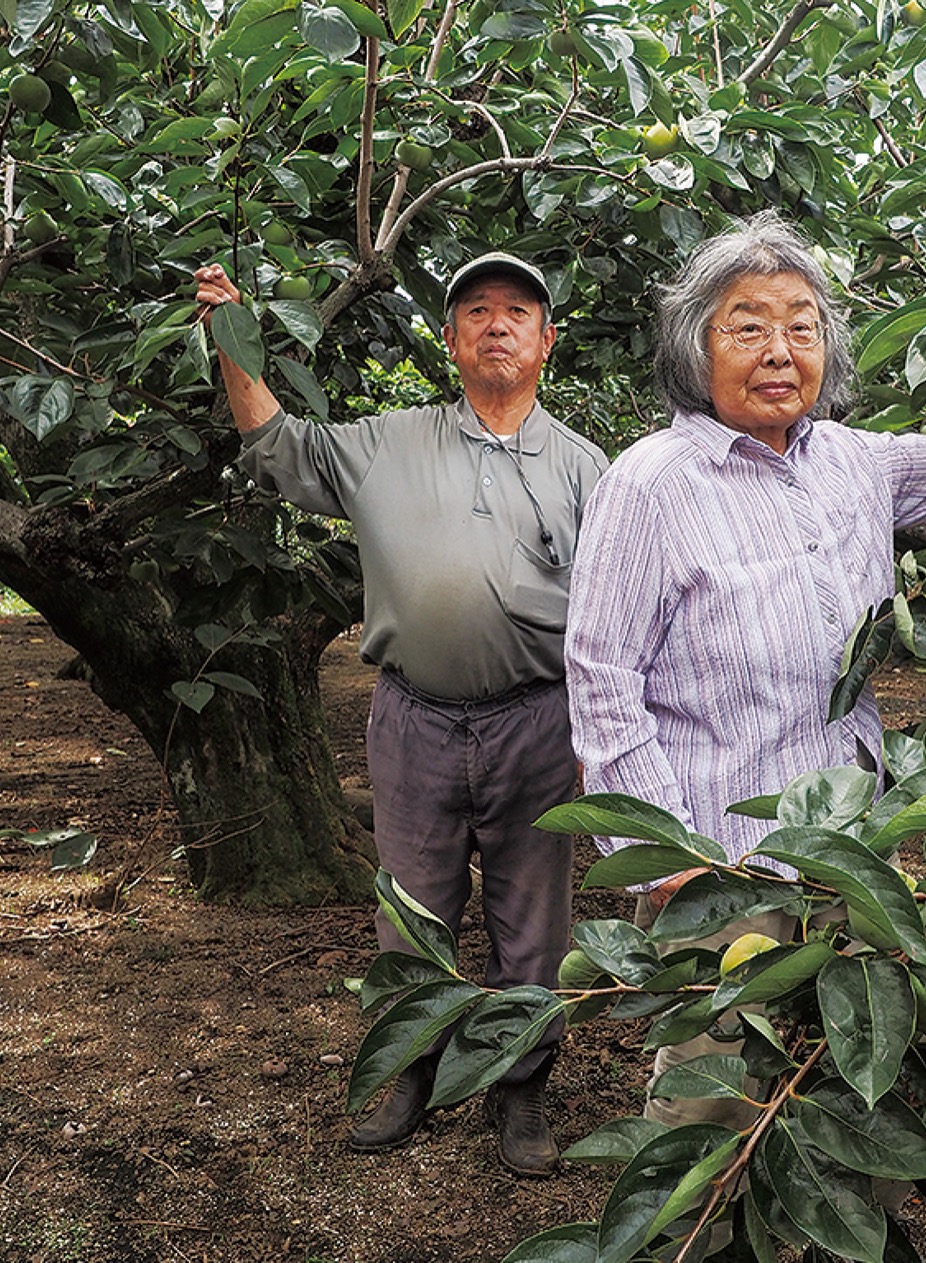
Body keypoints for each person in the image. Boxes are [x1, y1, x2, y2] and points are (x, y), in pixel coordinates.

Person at [563, 210, 926, 1129]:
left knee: (857, 1088)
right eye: (747, 326)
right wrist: (663, 858)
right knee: (717, 1106)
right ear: (694, 347)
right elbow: (601, 682)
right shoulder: (651, 483)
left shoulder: (855, 465)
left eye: (802, 324)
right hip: (725, 861)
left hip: (849, 847)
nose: (780, 349)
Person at [194, 251, 608, 1175]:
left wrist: (601, 736)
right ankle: (412, 1069)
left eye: (517, 311)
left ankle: (518, 1086)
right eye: (475, 311)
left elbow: (618, 614)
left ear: (547, 341)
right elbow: (277, 444)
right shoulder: (387, 442)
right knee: (411, 911)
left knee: (532, 918)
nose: (496, 324)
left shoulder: (590, 469)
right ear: (451, 339)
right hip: (415, 720)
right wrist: (232, 335)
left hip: (540, 724)